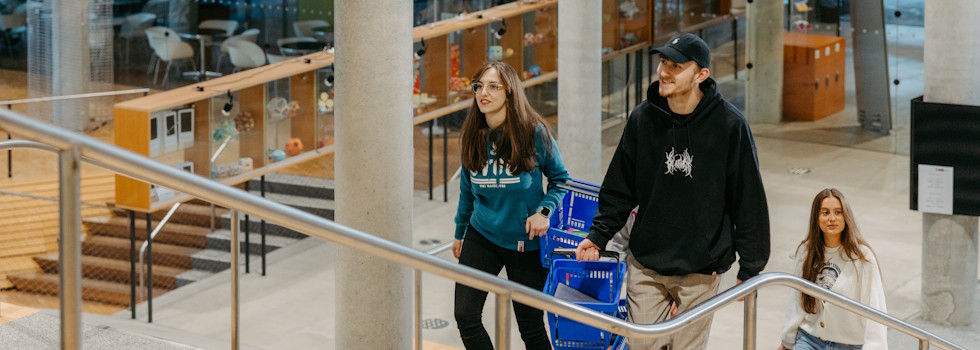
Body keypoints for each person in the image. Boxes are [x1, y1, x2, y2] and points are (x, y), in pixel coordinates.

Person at [574, 32, 771, 350]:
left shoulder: (729, 127)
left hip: (700, 267)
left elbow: (747, 199)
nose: (664, 71)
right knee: (642, 345)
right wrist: (598, 235)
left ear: (701, 75)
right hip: (647, 262)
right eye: (663, 62)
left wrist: (751, 266)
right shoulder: (643, 119)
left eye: (676, 65)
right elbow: (619, 186)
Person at [452, 60, 569, 350]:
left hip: (526, 241)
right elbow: (467, 191)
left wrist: (544, 212)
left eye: (494, 86)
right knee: (465, 315)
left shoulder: (534, 133)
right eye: (479, 86)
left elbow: (561, 181)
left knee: (530, 326)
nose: (484, 93)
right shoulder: (472, 135)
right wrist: (459, 232)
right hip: (483, 234)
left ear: (510, 93)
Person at [778, 188, 888, 350]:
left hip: (848, 345)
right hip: (809, 339)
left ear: (846, 217)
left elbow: (875, 305)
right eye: (825, 213)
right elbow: (796, 300)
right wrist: (787, 340)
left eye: (838, 212)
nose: (832, 219)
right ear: (816, 218)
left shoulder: (863, 256)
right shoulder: (806, 251)